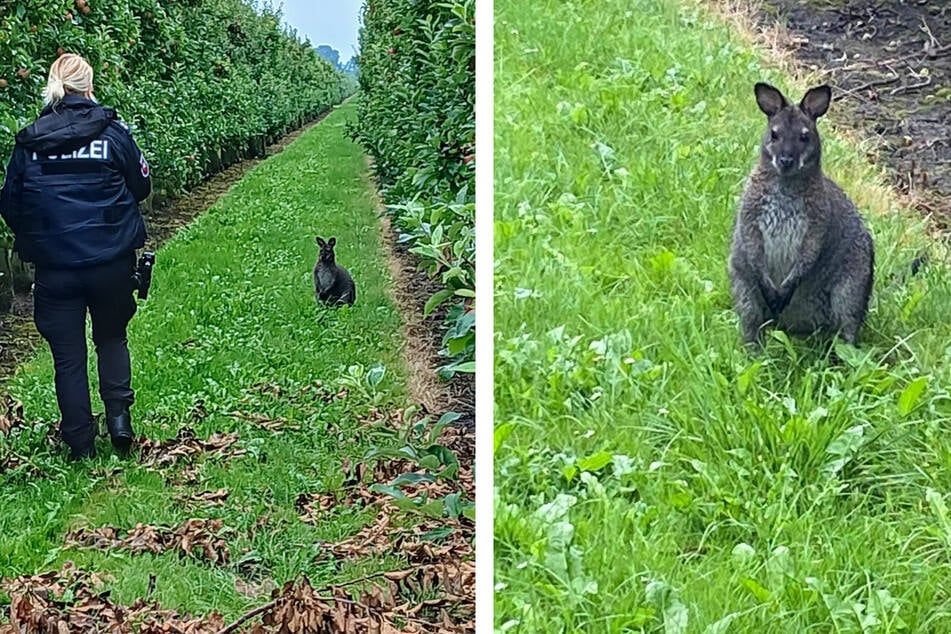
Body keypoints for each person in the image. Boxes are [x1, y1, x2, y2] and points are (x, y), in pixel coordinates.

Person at [0, 53, 151, 460]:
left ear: (54, 87)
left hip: (56, 268)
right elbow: (141, 185)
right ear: (89, 87)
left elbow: (10, 204)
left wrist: (46, 236)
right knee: (111, 337)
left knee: (68, 356)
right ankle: (119, 422)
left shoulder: (31, 143)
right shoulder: (114, 134)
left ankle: (79, 442)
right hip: (111, 262)